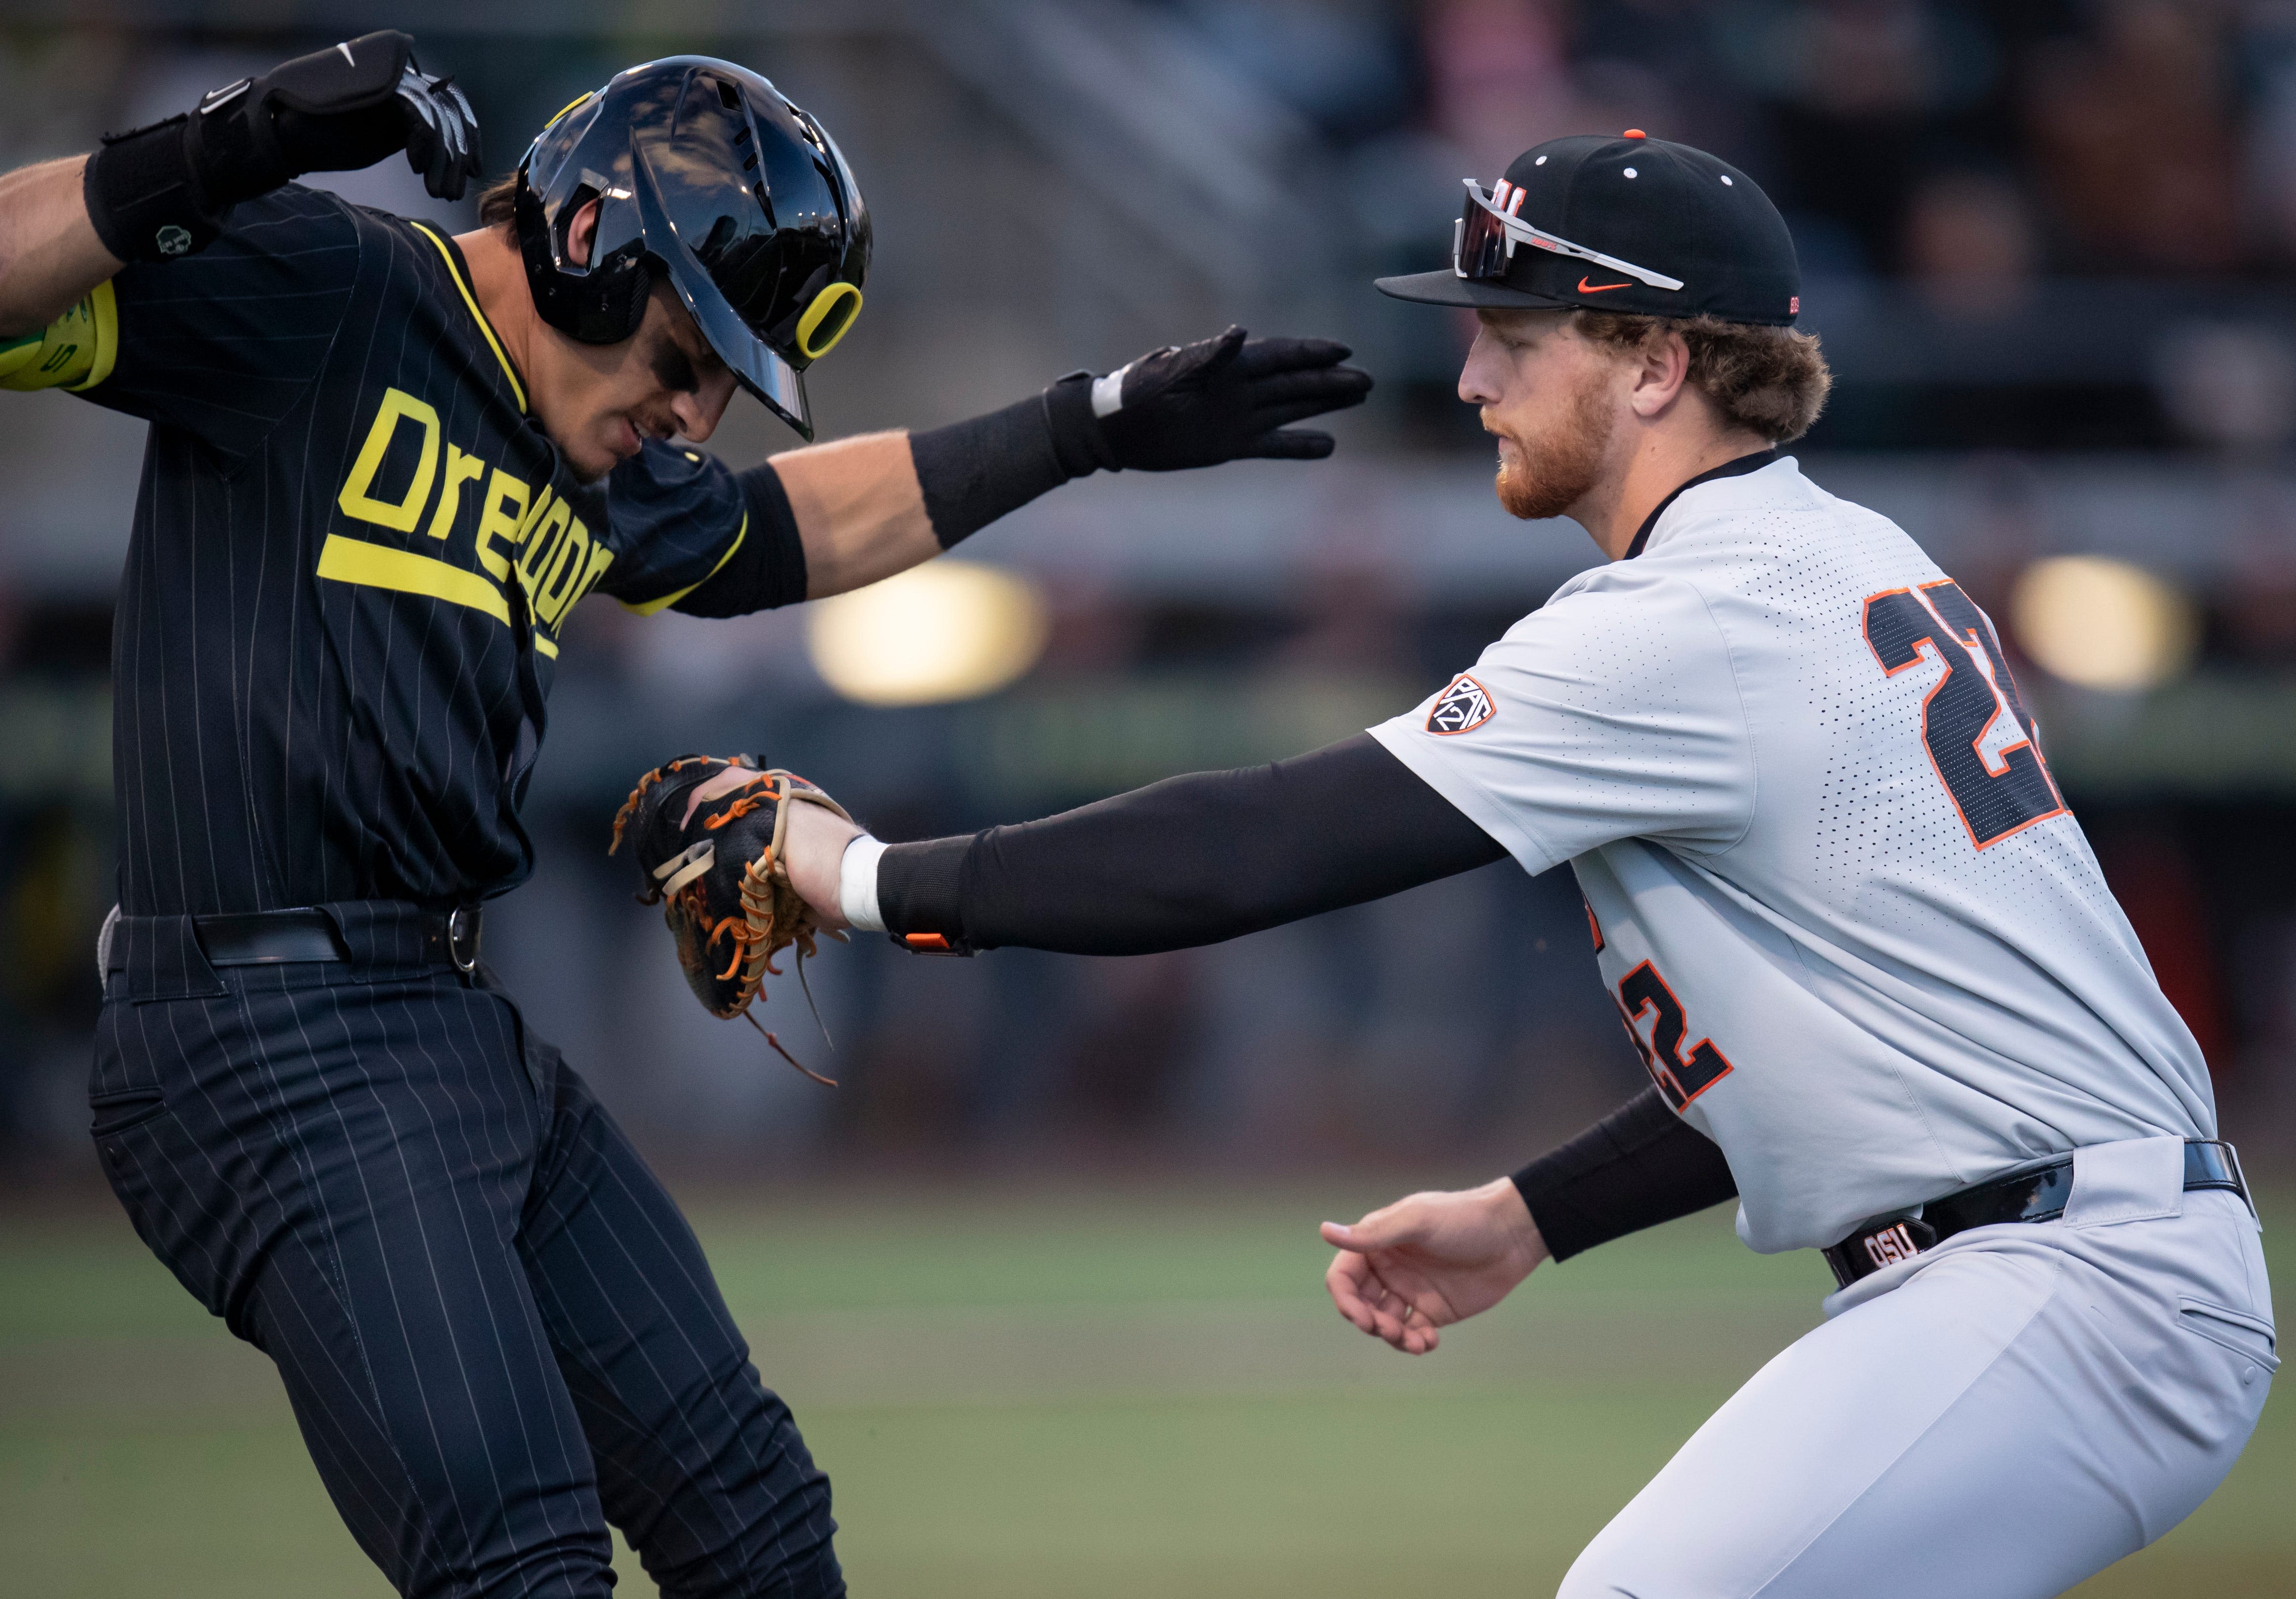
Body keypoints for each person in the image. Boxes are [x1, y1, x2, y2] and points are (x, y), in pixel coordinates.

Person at [765, 132, 2274, 1599]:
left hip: (2073, 1285)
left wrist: (865, 880)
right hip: (2076, 1258)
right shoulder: (1851, 552)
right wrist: (1536, 1213)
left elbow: (1263, 845)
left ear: (1656, 363)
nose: (1475, 379)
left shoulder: (1691, 620)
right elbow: (1854, 1051)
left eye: (1515, 336)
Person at [0, 33, 1366, 1599]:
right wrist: (220, 148)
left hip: (436, 1020)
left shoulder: (583, 435)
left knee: (758, 1520)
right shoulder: (334, 289)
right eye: (687, 350)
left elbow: (780, 529)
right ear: (587, 243)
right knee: (522, 1568)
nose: (698, 405)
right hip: (249, 1031)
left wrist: (1087, 427)